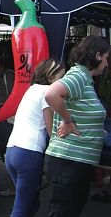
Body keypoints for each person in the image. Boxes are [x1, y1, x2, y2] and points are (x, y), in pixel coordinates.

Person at [44, 35, 109, 217]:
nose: (106, 64)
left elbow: (80, 109)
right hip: (68, 162)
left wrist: (93, 128)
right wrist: (68, 121)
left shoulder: (84, 78)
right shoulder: (79, 75)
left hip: (75, 163)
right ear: (97, 56)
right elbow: (51, 94)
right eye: (106, 58)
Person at [6, 59, 65, 217]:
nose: (63, 81)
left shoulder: (32, 89)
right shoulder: (47, 92)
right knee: (22, 207)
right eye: (61, 77)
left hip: (12, 150)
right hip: (29, 153)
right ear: (51, 77)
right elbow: (50, 128)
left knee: (30, 204)